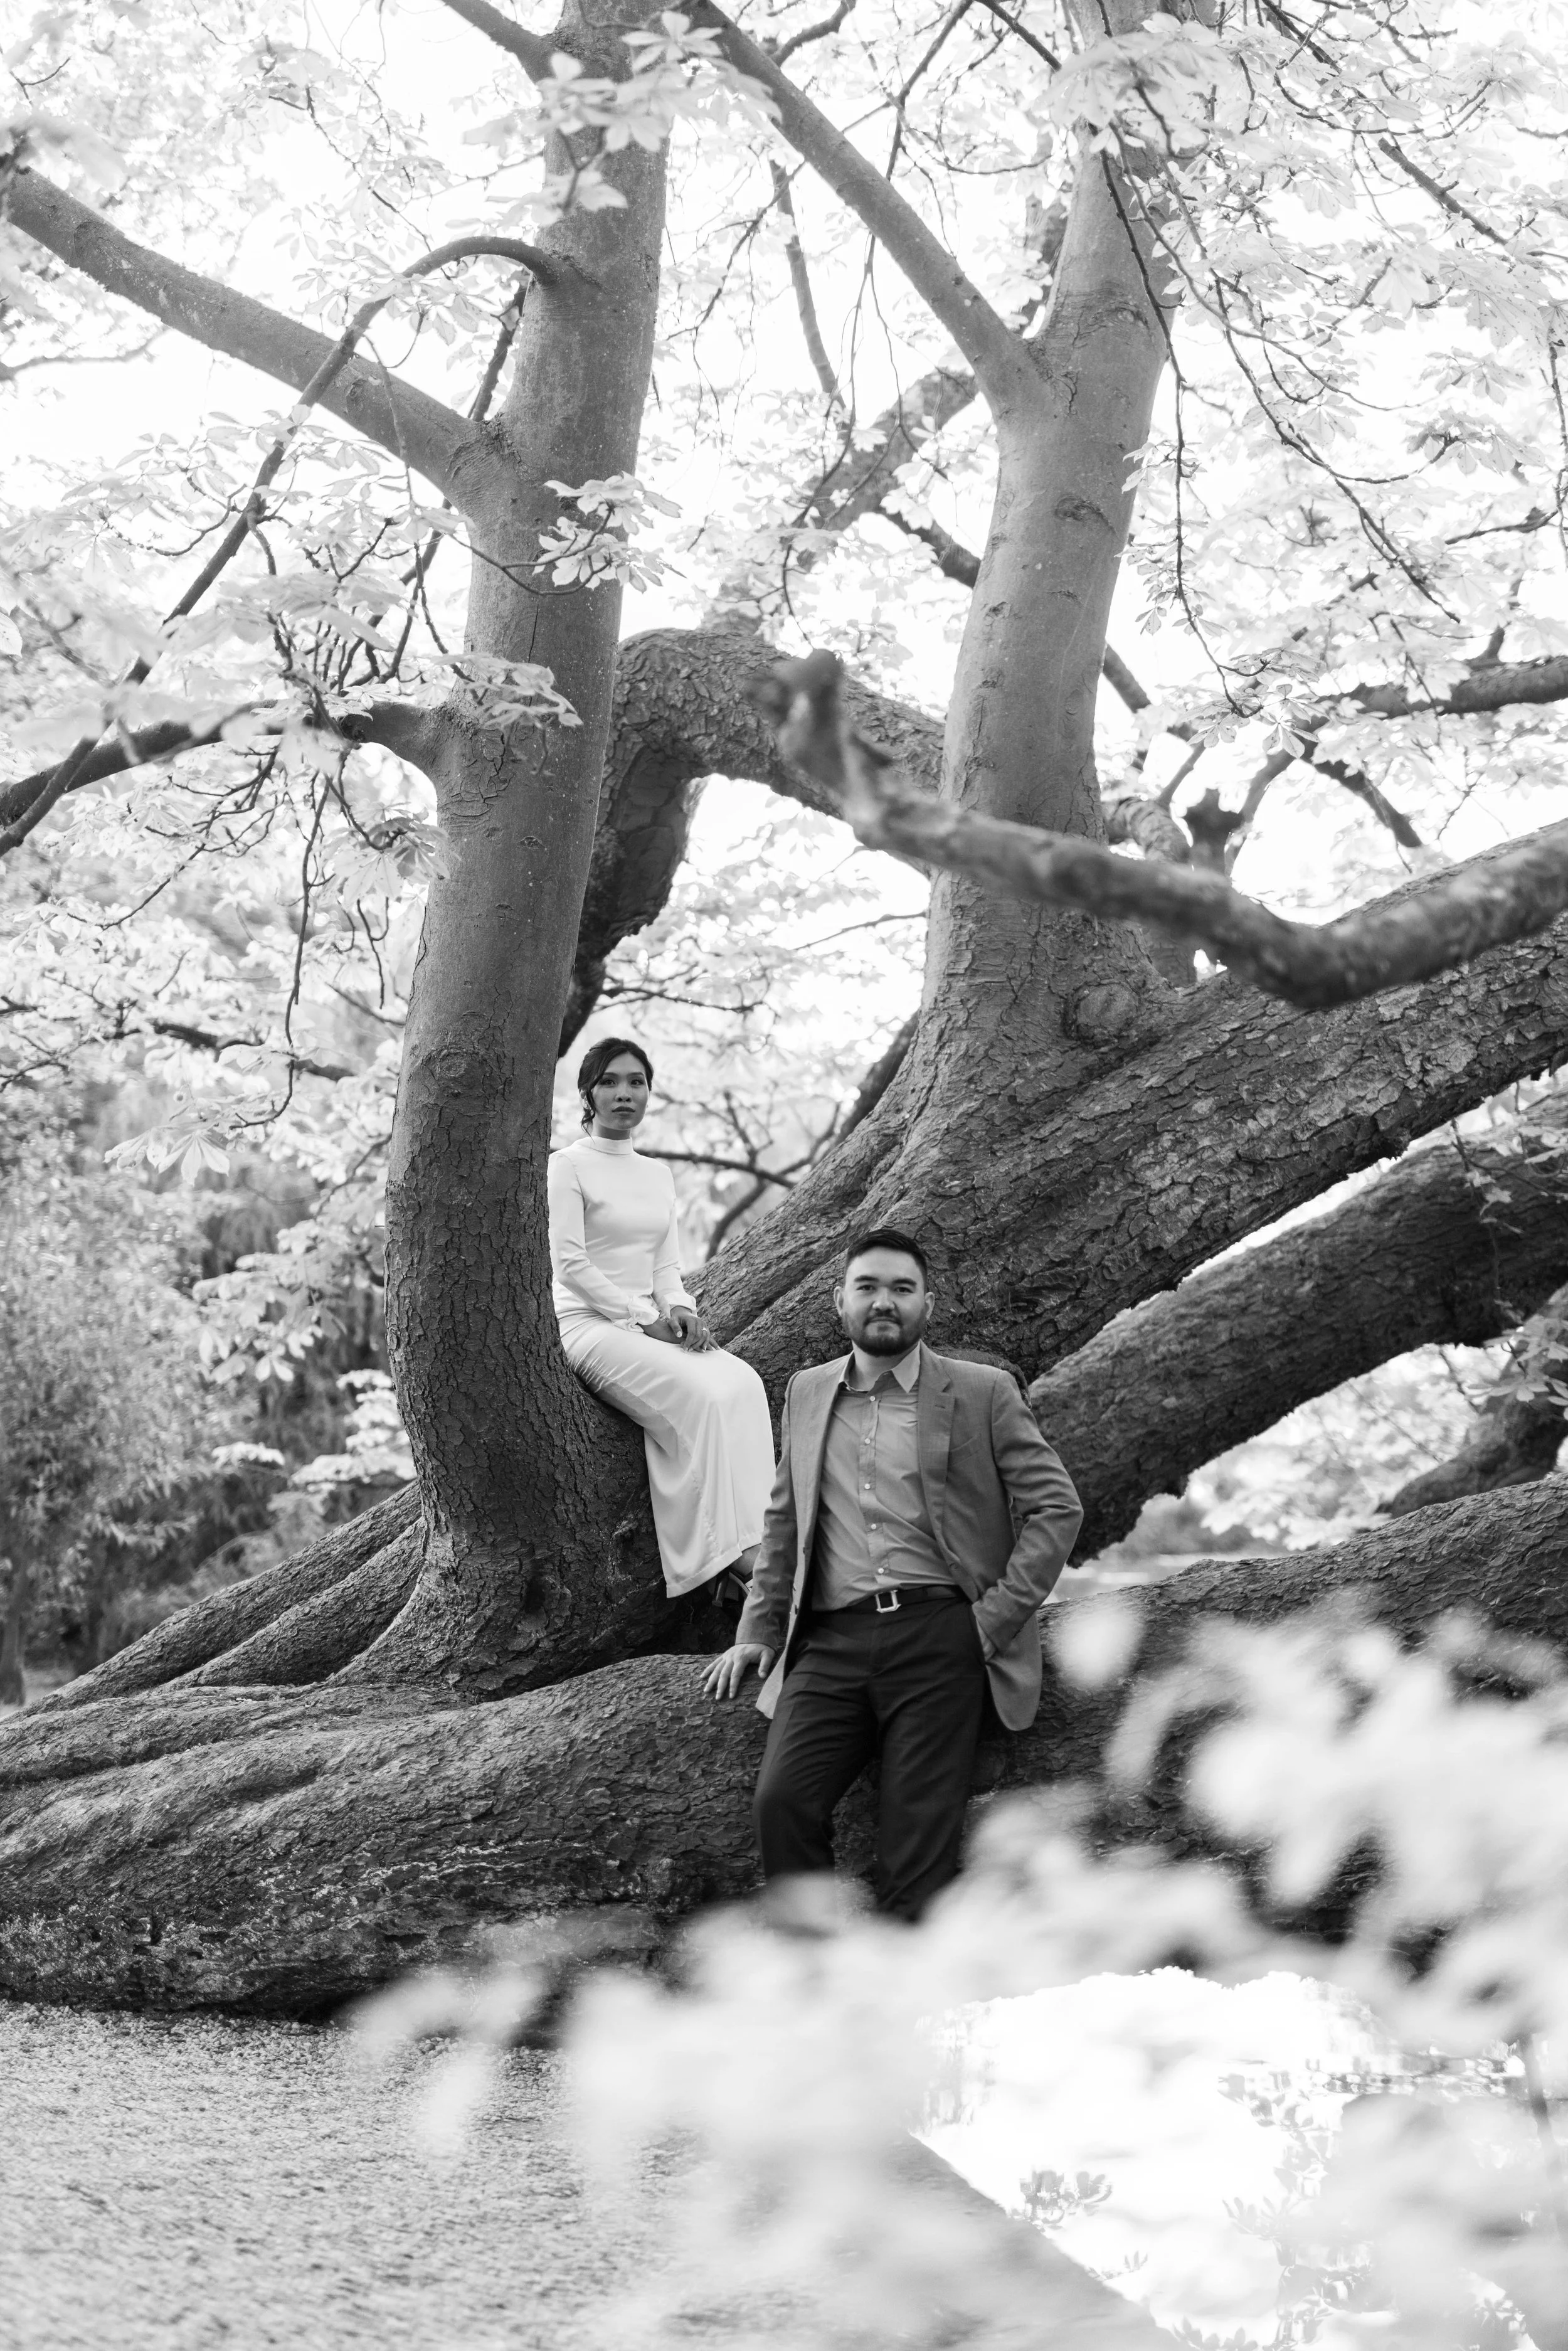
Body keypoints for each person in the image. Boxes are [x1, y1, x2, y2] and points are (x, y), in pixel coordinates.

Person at [702, 1226, 1083, 1920]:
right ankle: (819, 1984)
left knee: (917, 1844)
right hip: (828, 1643)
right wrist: (757, 1626)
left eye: (902, 1289)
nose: (885, 1302)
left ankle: (907, 2008)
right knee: (782, 1803)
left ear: (927, 1306)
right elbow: (785, 1519)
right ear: (839, 1301)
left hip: (942, 1638)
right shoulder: (806, 1392)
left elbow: (1056, 1507)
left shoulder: (982, 1392)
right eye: (868, 1286)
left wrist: (989, 1623)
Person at [548, 1036, 775, 1599]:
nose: (625, 1093)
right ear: (587, 1093)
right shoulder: (566, 1167)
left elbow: (666, 1268)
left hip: (645, 1321)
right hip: (584, 1325)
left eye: (637, 1082)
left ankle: (767, 1538)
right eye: (610, 1082)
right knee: (701, 1398)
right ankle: (724, 1558)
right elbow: (570, 1263)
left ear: (649, 1093)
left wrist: (678, 1309)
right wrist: (638, 1317)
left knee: (742, 1383)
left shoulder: (656, 1175)